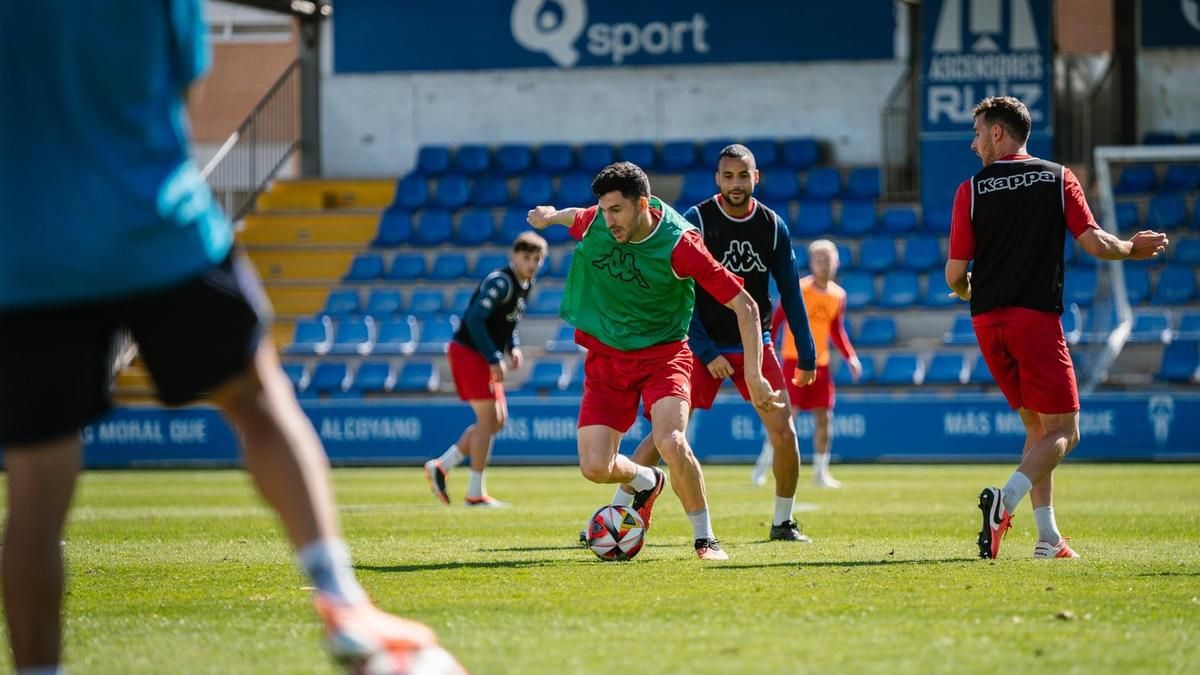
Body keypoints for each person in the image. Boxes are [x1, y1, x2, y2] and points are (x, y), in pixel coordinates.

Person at [0, 3, 463, 673]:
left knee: (37, 485)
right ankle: (342, 601)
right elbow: (186, 83)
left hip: (27, 250)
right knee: (258, 398)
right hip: (153, 223)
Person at [527, 162, 785, 561]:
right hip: (607, 356)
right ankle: (648, 480)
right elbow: (573, 216)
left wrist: (753, 374)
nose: (607, 219)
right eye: (604, 209)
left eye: (616, 210)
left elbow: (746, 306)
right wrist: (548, 217)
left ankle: (705, 538)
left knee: (671, 438)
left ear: (642, 204)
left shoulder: (680, 244)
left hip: (664, 356)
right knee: (595, 467)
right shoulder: (597, 221)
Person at [946, 96, 1167, 560]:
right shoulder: (1057, 177)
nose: (973, 144)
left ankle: (1048, 538)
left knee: (1039, 428)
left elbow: (954, 276)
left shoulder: (970, 190)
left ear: (999, 134)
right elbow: (1095, 242)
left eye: (978, 133)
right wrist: (1131, 247)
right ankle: (1003, 503)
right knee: (1068, 430)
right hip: (1034, 319)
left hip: (987, 322)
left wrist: (967, 291)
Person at [617, 145, 818, 542]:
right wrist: (706, 351)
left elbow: (791, 293)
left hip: (753, 342)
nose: (736, 184)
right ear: (717, 179)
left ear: (755, 178)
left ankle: (783, 522)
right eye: (728, 176)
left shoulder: (773, 226)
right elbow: (676, 292)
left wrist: (806, 353)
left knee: (785, 432)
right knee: (664, 436)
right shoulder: (697, 220)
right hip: (697, 346)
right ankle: (612, 512)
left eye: (743, 176)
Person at [424, 232, 547, 507]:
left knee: (497, 420)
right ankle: (475, 494)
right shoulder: (501, 281)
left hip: (482, 354)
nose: (531, 263)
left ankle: (441, 466)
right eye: (526, 257)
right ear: (514, 256)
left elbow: (506, 322)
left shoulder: (525, 282)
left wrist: (512, 346)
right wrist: (493, 356)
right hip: (470, 352)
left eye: (537, 259)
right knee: (489, 421)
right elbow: (475, 319)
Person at [752, 240, 862, 489]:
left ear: (836, 262)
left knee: (825, 418)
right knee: (783, 419)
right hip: (794, 362)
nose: (824, 265)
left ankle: (821, 473)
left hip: (821, 365)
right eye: (819, 260)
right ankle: (762, 466)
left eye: (828, 259)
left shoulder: (838, 295)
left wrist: (850, 357)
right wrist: (764, 352)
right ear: (812, 263)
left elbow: (836, 329)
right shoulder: (799, 289)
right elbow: (777, 320)